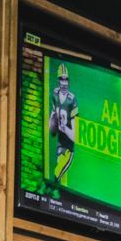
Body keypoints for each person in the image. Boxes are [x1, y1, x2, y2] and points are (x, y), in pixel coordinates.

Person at [47, 62, 77, 194]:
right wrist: (52, 123)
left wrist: (65, 129)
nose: (64, 83)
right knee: (58, 178)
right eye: (62, 79)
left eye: (66, 79)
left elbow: (75, 136)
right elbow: (53, 113)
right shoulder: (54, 94)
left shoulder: (72, 100)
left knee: (56, 174)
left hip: (69, 148)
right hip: (60, 143)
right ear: (58, 80)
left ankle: (51, 194)